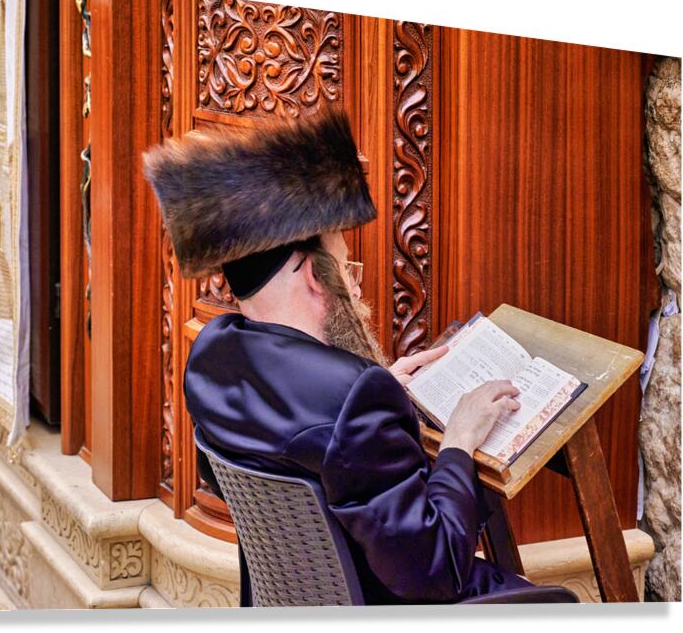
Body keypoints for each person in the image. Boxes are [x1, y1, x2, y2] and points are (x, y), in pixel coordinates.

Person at [142, 104, 534, 605]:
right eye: (347, 269)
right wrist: (458, 439)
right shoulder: (352, 399)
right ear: (312, 274)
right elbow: (435, 571)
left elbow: (272, 452)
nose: (353, 283)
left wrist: (379, 391)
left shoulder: (213, 356)